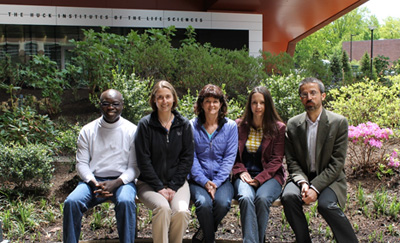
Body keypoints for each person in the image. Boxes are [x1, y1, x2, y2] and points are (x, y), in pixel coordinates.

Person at [281, 77, 358, 243]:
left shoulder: (338, 122)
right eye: (304, 94)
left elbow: (337, 163)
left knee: (326, 204)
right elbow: (292, 161)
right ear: (301, 99)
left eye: (313, 93)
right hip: (302, 176)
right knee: (288, 197)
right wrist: (303, 183)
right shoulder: (293, 124)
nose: (309, 97)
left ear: (323, 96)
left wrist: (315, 188)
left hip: (330, 178)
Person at [63, 89, 139, 243]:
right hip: (94, 181)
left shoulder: (132, 130)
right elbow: (82, 163)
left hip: (122, 181)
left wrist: (116, 183)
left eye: (115, 104)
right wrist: (94, 182)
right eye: (106, 104)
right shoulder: (88, 130)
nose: (111, 107)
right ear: (100, 105)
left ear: (122, 105)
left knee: (125, 202)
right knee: (72, 202)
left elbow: (135, 167)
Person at [135, 80, 194, 243]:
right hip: (149, 184)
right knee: (162, 208)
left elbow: (187, 158)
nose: (164, 101)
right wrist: (160, 187)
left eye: (168, 97)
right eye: (160, 97)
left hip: (178, 183)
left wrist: (173, 186)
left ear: (174, 99)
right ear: (154, 100)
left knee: (182, 211)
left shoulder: (184, 125)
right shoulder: (145, 125)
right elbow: (143, 160)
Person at [232, 86, 286, 243]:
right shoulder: (239, 126)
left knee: (262, 199)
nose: (258, 106)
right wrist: (240, 171)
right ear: (249, 104)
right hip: (244, 174)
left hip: (270, 176)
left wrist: (259, 179)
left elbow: (277, 160)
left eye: (262, 102)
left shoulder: (278, 128)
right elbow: (233, 156)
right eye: (254, 102)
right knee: (246, 197)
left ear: (267, 104)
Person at [188, 84, 238, 243]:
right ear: (201, 104)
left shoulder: (230, 127)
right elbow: (191, 157)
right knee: (203, 203)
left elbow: (229, 158)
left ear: (221, 104)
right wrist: (204, 182)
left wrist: (215, 183)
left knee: (223, 203)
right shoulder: (191, 126)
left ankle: (202, 234)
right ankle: (209, 240)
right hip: (197, 180)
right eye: (207, 101)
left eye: (215, 101)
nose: (211, 105)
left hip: (222, 180)